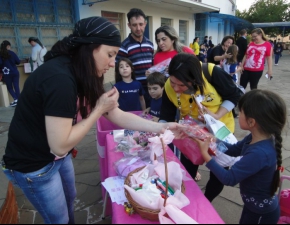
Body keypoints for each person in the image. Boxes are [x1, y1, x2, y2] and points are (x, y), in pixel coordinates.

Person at [1, 17, 181, 224]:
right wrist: (97, 110)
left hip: (58, 157)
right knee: (58, 219)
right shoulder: (59, 78)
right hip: (34, 164)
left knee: (70, 200)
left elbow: (115, 114)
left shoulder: (86, 72)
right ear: (89, 48)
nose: (113, 63)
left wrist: (162, 126)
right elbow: (60, 144)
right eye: (110, 55)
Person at [195, 89, 286, 224]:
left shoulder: (259, 153)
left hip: (260, 214)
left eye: (241, 111)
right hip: (252, 206)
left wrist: (205, 155)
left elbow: (229, 178)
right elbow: (233, 150)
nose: (238, 114)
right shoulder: (255, 137)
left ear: (251, 122)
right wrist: (214, 140)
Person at [159, 53, 241, 202]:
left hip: (220, 133)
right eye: (172, 82)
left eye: (182, 85)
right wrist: (161, 132)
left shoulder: (211, 72)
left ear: (194, 80)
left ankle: (206, 202)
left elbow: (234, 95)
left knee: (218, 174)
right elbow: (166, 115)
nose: (176, 88)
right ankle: (187, 200)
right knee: (187, 171)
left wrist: (216, 115)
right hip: (191, 135)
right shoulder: (168, 88)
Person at [115, 8, 154, 107]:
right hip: (134, 91)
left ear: (145, 24)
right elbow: (118, 69)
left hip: (151, 89)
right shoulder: (124, 46)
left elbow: (153, 65)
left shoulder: (150, 44)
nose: (138, 28)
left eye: (141, 24)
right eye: (134, 25)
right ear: (129, 25)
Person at [222, 44, 241, 118]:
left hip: (225, 80)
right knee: (234, 97)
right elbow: (232, 72)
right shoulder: (233, 61)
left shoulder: (225, 60)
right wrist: (239, 69)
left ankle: (231, 112)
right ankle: (233, 113)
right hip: (232, 81)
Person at [0, 40, 20, 107]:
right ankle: (19, 100)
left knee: (9, 87)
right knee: (16, 85)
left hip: (6, 73)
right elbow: (18, 61)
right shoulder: (12, 53)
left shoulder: (1, 54)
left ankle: (15, 99)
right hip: (15, 72)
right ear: (8, 46)